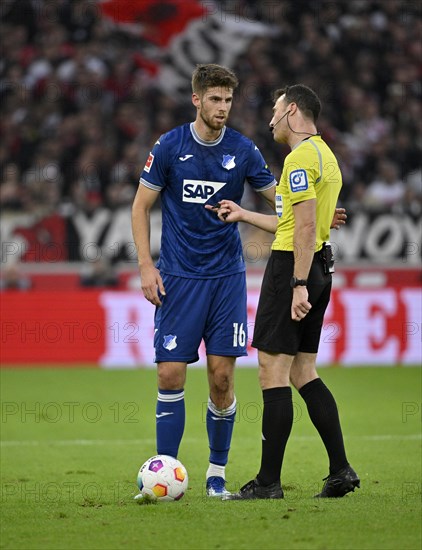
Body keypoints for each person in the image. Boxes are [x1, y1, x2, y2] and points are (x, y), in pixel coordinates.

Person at [131, 64, 278, 497]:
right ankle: (165, 472)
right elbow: (140, 207)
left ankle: (216, 475)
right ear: (196, 100)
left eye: (228, 100)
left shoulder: (243, 150)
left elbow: (283, 200)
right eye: (214, 99)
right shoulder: (170, 146)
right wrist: (145, 265)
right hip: (178, 276)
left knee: (221, 379)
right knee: (170, 374)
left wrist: (315, 208)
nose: (222, 108)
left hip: (226, 279)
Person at [212, 84, 359, 499]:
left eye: (276, 111)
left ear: (292, 110)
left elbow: (305, 229)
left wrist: (295, 285)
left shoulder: (298, 159)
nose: (271, 119)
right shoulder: (326, 156)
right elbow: (297, 223)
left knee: (271, 373)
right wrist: (242, 213)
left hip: (293, 270)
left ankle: (268, 482)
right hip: (321, 266)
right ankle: (340, 470)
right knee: (303, 372)